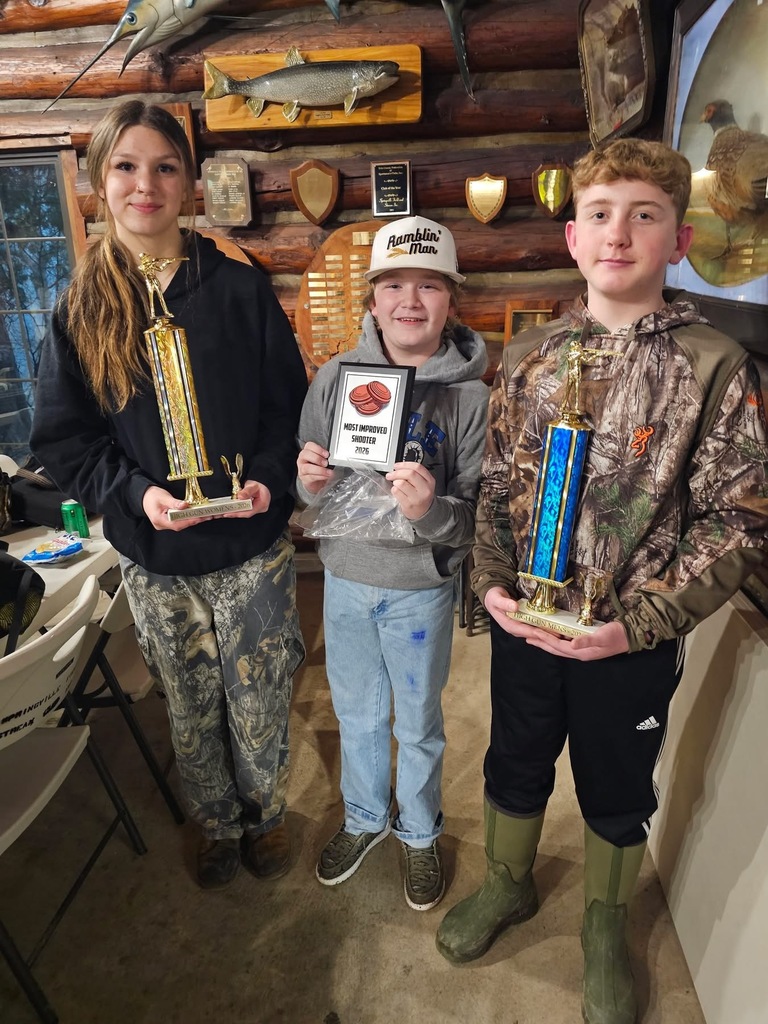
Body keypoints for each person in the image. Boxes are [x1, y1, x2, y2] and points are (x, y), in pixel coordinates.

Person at [435, 139, 768, 1022]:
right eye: (599, 214)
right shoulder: (536, 357)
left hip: (627, 640)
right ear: (574, 239)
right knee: (513, 755)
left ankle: (603, 925)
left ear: (680, 238)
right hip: (525, 628)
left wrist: (644, 622)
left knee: (618, 782)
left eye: (643, 215)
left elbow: (738, 518)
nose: (618, 233)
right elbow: (500, 485)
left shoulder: (713, 365)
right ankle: (508, 882)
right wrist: (496, 586)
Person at [31, 101, 307, 891]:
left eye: (164, 167)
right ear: (97, 182)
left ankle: (267, 813)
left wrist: (268, 476)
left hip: (250, 545)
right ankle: (215, 820)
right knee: (188, 702)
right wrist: (134, 495)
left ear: (189, 182)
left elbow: (286, 407)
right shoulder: (79, 307)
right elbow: (65, 440)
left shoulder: (238, 289)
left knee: (257, 692)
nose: (144, 184)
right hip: (156, 554)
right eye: (125, 166)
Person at [297, 216, 489, 910]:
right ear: (373, 300)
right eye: (396, 285)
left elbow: (473, 515)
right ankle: (364, 819)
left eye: (430, 285)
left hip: (419, 591)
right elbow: (304, 478)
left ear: (450, 300)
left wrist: (428, 512)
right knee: (356, 711)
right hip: (345, 581)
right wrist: (308, 480)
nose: (412, 300)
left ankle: (418, 831)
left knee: (417, 719)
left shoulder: (471, 398)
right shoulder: (336, 379)